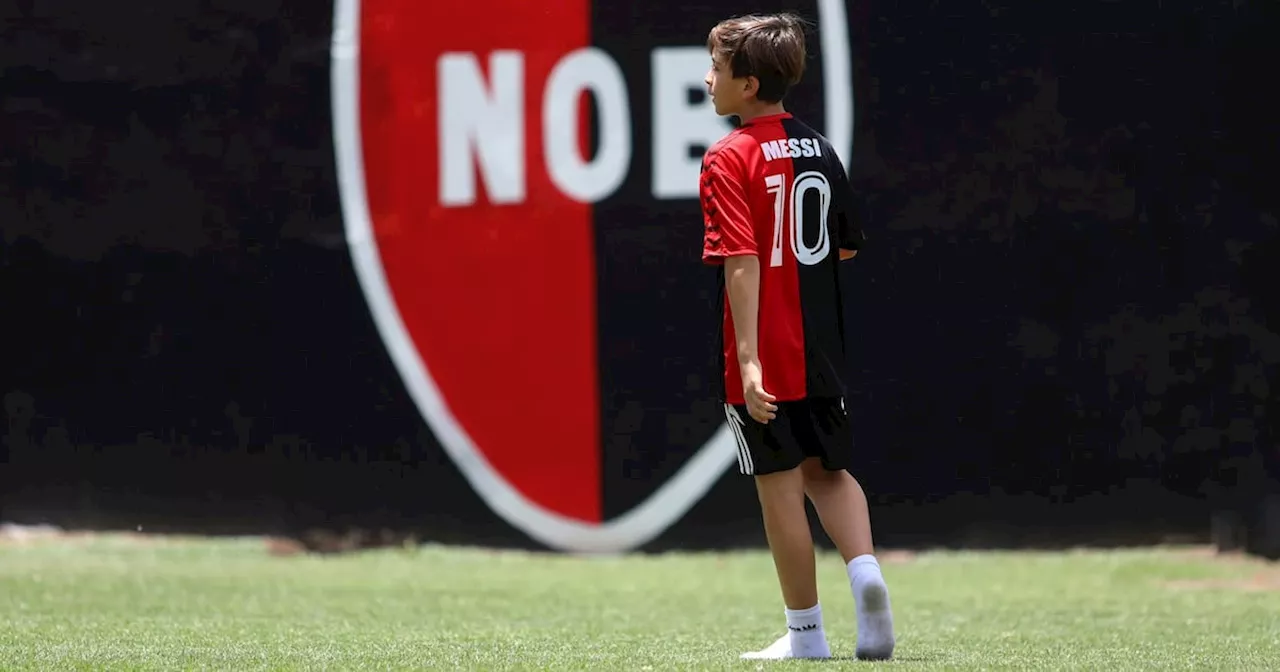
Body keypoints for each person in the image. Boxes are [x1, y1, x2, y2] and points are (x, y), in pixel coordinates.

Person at [698, 12, 896, 661]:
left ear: (748, 84)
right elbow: (842, 250)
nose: (708, 80)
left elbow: (742, 261)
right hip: (822, 349)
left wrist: (750, 361)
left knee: (778, 483)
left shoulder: (730, 157)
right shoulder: (820, 147)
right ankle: (865, 573)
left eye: (718, 70)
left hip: (768, 350)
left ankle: (806, 635)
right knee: (829, 472)